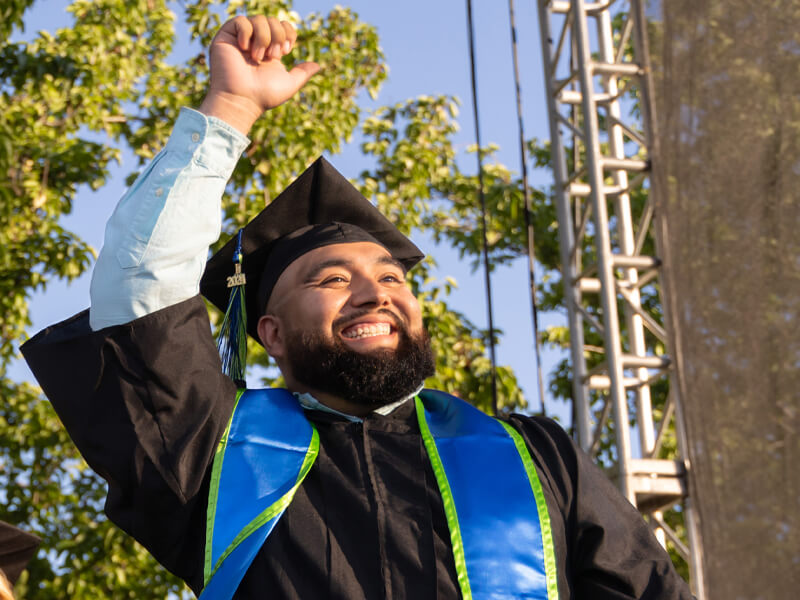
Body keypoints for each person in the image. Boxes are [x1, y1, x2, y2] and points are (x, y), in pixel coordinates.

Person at [22, 14, 693, 600]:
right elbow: (142, 291)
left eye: (393, 279)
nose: (376, 292)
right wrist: (230, 107)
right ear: (271, 332)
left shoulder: (539, 458)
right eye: (331, 280)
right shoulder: (215, 455)